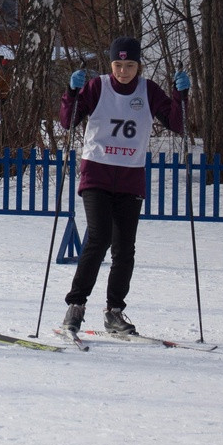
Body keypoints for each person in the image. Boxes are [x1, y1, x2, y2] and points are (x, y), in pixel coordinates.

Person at [58, 36, 189, 336]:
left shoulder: (148, 90)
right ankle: (75, 306)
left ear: (139, 65)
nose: (123, 71)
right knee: (99, 238)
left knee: (124, 248)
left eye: (130, 65)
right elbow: (68, 122)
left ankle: (114, 312)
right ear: (111, 63)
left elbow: (177, 124)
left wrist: (181, 96)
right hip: (97, 174)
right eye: (118, 64)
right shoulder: (97, 87)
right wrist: (71, 92)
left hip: (130, 176)